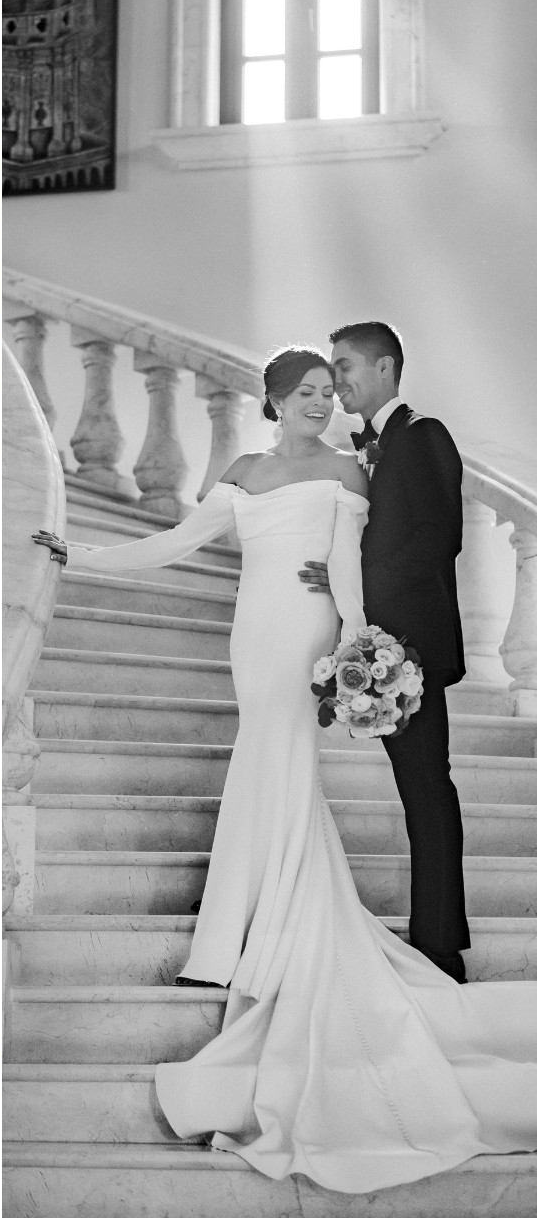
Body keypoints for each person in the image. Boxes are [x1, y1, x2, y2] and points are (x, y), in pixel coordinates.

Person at [31, 344, 537, 1194]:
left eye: (326, 390)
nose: (320, 401)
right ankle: (237, 936)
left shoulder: (348, 469)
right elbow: (179, 542)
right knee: (256, 770)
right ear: (270, 399)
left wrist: (353, 645)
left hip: (305, 634)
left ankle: (242, 943)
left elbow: (351, 564)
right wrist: (79, 555)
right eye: (304, 392)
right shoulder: (243, 468)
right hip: (250, 638)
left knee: (280, 767)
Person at [298, 321, 469, 983]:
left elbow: (437, 538)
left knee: (427, 790)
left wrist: (363, 588)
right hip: (379, 643)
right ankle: (435, 936)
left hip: (414, 649)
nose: (336, 380)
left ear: (385, 368)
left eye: (344, 367)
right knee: (418, 788)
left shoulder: (423, 433)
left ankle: (441, 948)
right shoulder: (366, 446)